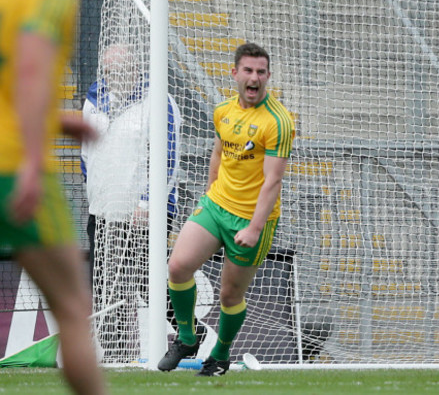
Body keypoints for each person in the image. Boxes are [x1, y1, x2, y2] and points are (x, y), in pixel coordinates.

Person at [157, 42, 295, 376]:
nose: (255, 77)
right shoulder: (223, 111)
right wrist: (208, 196)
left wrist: (254, 228)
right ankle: (187, 337)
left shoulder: (278, 122)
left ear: (268, 76)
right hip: (216, 206)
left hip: (249, 220)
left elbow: (273, 181)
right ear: (234, 73)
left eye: (261, 72)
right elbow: (218, 154)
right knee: (177, 267)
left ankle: (219, 355)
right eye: (248, 70)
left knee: (229, 296)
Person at [0, 0, 106, 394]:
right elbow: (29, 67)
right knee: (72, 308)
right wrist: (30, 161)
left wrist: (52, 119)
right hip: (11, 165)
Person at [80, 43, 186, 361]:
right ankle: (118, 356)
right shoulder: (93, 98)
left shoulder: (159, 101)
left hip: (144, 213)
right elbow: (86, 154)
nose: (115, 78)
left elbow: (169, 158)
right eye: (109, 71)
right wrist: (94, 193)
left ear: (136, 67)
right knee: (105, 288)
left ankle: (190, 331)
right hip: (103, 210)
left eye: (121, 71)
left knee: (149, 282)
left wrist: (147, 203)